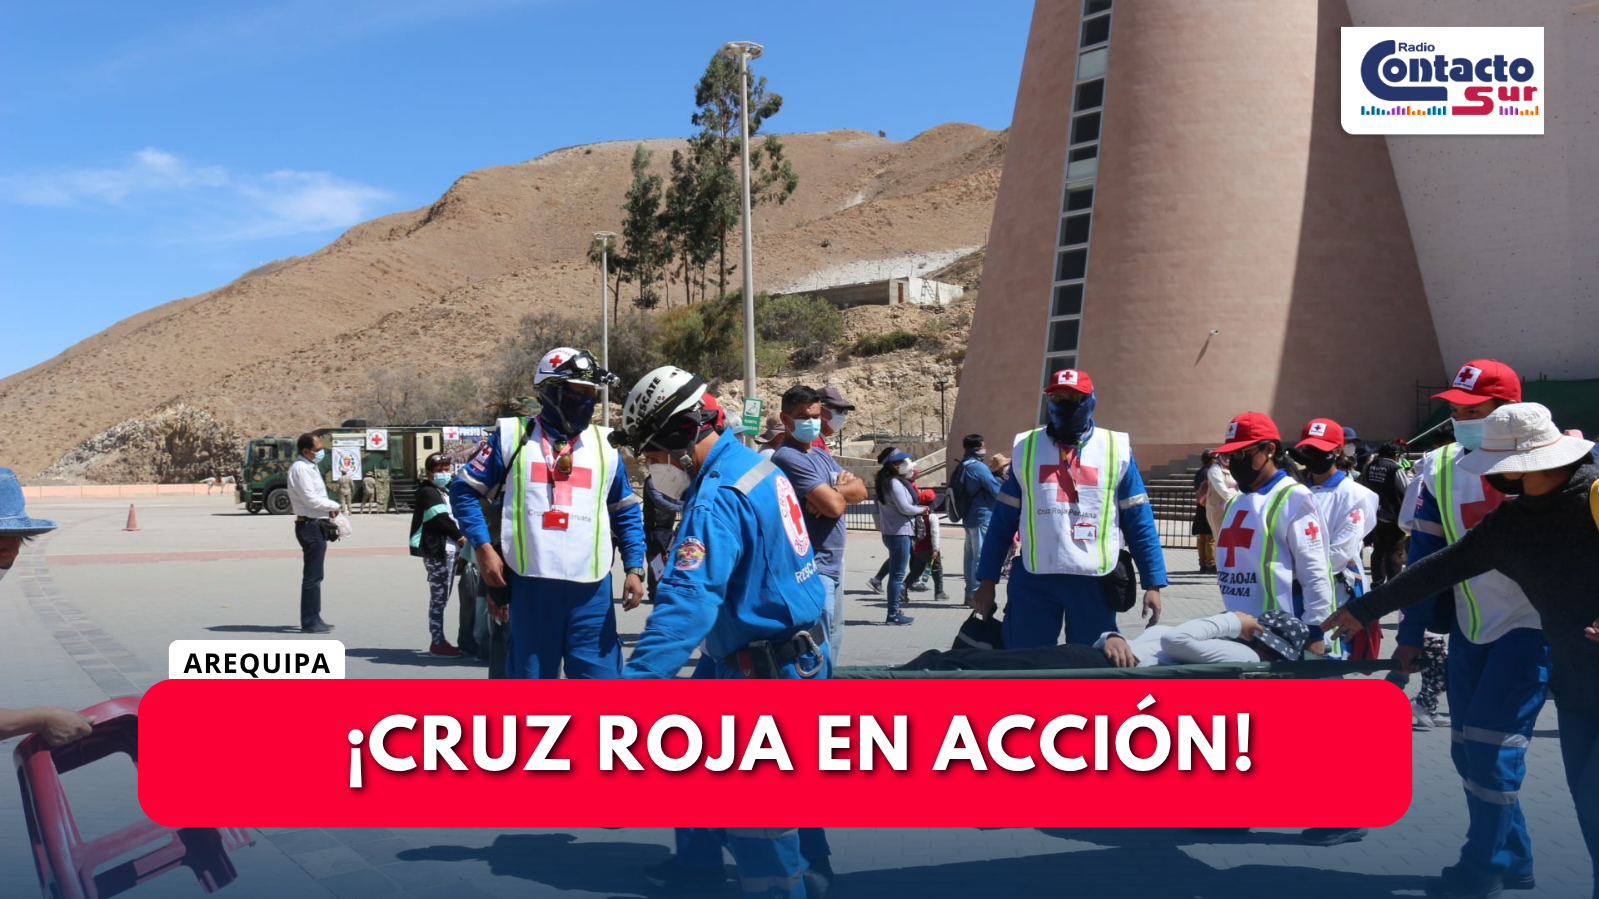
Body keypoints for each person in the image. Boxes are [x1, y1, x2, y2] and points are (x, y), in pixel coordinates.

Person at [1324, 402, 1598, 899]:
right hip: (1580, 692)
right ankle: (1511, 860)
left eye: (1501, 466)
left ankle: (1489, 864)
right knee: (1589, 813)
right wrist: (1368, 608)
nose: (1494, 476)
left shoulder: (1596, 496)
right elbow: (1442, 566)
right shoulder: (1515, 521)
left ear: (1529, 461)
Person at [613, 366, 830, 899]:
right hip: (783, 652)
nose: (651, 467)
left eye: (652, 454)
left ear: (681, 436)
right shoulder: (756, 468)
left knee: (760, 815)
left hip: (761, 670)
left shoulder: (716, 498)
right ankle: (800, 872)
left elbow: (688, 600)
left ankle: (784, 888)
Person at [448, 347, 646, 679]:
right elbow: (463, 490)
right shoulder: (512, 438)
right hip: (531, 586)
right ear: (552, 391)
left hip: (592, 591)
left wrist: (635, 566)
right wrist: (483, 548)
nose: (588, 400)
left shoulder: (604, 446)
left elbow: (624, 511)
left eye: (592, 393)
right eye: (579, 391)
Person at [971, 368, 1166, 647]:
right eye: (1057, 396)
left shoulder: (1115, 449)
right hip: (1035, 577)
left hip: (1094, 580)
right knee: (1025, 665)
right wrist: (987, 580)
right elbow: (1002, 520)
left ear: (1090, 401)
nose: (1064, 403)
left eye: (1073, 398)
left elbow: (1139, 520)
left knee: (1090, 668)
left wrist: (1153, 582)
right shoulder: (1026, 448)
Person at [1206, 413, 1332, 653]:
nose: (1235, 462)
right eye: (1229, 456)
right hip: (1240, 629)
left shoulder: (1294, 498)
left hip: (1284, 633)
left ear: (1270, 450)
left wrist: (1316, 629)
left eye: (1242, 454)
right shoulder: (1235, 502)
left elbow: (1314, 569)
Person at [771, 384, 868, 661]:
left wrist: (834, 492)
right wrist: (837, 495)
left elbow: (860, 490)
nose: (812, 423)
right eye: (804, 417)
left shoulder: (820, 454)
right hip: (812, 568)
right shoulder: (787, 457)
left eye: (815, 416)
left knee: (834, 638)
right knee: (816, 649)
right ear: (786, 419)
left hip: (833, 564)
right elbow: (837, 506)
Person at [1294, 418, 1379, 659]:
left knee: (1326, 660)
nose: (1314, 455)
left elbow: (1342, 551)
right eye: (1308, 450)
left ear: (1338, 450)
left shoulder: (1355, 494)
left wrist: (1300, 572)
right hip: (1293, 588)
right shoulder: (1294, 490)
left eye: (1321, 450)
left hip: (1332, 589)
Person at [410, 452, 466, 657]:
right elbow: (441, 518)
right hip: (439, 552)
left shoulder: (445, 490)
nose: (444, 473)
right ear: (429, 473)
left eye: (446, 469)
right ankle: (437, 641)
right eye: (439, 470)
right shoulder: (427, 491)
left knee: (443, 596)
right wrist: (461, 538)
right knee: (439, 598)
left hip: (451, 551)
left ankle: (440, 639)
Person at [288, 432, 341, 633]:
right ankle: (309, 620)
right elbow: (311, 499)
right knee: (312, 576)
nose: (321, 453)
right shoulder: (301, 469)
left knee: (317, 575)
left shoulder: (310, 466)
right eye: (318, 450)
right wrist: (334, 505)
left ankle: (315, 615)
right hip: (309, 525)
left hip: (316, 523)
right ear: (305, 451)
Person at [874, 447, 926, 626]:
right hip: (899, 533)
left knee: (896, 573)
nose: (905, 464)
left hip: (892, 532)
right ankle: (893, 614)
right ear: (893, 465)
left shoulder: (886, 481)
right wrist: (923, 509)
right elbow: (905, 508)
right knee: (897, 576)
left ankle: (894, 610)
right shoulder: (894, 483)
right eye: (900, 462)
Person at [952, 434, 1003, 603]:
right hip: (981, 515)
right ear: (975, 448)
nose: (984, 449)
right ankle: (975, 593)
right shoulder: (978, 468)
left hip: (969, 516)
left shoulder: (963, 465)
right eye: (982, 446)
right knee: (979, 555)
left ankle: (969, 591)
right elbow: (996, 490)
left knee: (970, 555)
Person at [1361, 440, 1414, 588]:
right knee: (1394, 551)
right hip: (1392, 515)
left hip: (1374, 514)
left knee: (1378, 549)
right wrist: (1409, 475)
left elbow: (1363, 485)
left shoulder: (1369, 466)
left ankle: (1377, 583)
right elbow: (1407, 488)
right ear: (1396, 455)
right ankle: (1394, 585)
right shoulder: (1394, 468)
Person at [902, 487, 950, 601]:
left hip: (918, 548)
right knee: (937, 570)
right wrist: (936, 549)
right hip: (930, 548)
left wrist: (914, 547)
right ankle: (939, 592)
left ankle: (902, 587)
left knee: (916, 571)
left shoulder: (916, 517)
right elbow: (935, 533)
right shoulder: (932, 517)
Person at [642, 474, 684, 603]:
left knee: (668, 561)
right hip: (655, 529)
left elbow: (674, 499)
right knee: (656, 562)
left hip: (667, 528)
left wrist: (686, 503)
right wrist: (681, 507)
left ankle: (664, 591)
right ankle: (654, 594)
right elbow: (659, 502)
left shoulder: (666, 481)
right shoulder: (651, 481)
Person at [1192, 452, 1217, 573]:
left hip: (1200, 506)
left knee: (1202, 537)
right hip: (1209, 506)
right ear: (1211, 459)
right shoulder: (1210, 473)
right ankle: (1211, 564)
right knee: (1210, 537)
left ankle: (1202, 563)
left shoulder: (1199, 472)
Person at [818, 385, 854, 452]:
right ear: (820, 409)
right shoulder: (813, 445)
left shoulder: (821, 443)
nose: (842, 415)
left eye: (844, 411)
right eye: (838, 410)